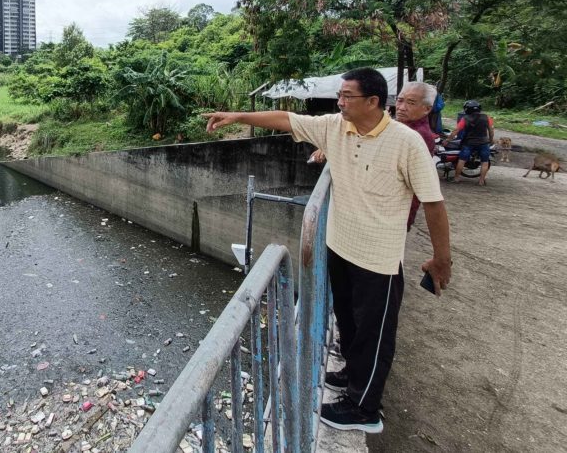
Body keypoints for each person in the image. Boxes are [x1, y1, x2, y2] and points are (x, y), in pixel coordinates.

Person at [204, 68, 452, 434]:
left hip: (378, 258)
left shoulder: (407, 142)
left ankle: (364, 409)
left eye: (347, 96)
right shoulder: (336, 127)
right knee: (349, 322)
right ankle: (352, 374)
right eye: (340, 95)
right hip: (340, 245)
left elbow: (433, 203)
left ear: (372, 101)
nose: (340, 101)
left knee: (374, 333)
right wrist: (237, 116)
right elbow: (287, 119)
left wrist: (441, 257)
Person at [310, 81, 438, 230]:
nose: (402, 107)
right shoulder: (400, 126)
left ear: (426, 109)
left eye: (411, 103)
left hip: (389, 213)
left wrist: (330, 148)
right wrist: (327, 148)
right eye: (400, 100)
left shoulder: (416, 137)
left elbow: (371, 153)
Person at [444, 99, 494, 185]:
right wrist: (491, 140)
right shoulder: (487, 117)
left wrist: (448, 140)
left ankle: (456, 178)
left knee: (462, 160)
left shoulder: (465, 119)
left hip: (469, 143)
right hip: (483, 143)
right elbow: (491, 130)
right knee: (485, 161)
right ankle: (481, 181)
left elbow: (456, 130)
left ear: (467, 109)